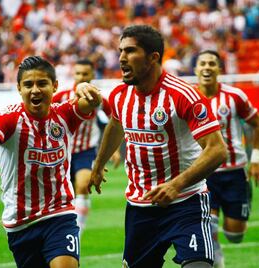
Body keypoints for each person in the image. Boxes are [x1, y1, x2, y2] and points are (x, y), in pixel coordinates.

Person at [0, 56, 103, 268]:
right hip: (20, 222)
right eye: (28, 84)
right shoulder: (8, 119)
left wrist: (85, 88)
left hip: (59, 214)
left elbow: (94, 101)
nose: (35, 90)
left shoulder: (64, 114)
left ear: (54, 86)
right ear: (19, 88)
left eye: (42, 83)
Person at [88, 25, 228, 268]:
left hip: (186, 202)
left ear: (153, 57)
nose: (121, 58)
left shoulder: (183, 95)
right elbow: (116, 125)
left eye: (130, 51)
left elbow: (217, 150)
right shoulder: (121, 96)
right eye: (121, 51)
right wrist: (98, 165)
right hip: (140, 207)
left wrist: (176, 185)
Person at [194, 50, 259, 268]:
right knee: (210, 227)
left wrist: (255, 160)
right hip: (204, 174)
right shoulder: (188, 98)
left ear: (220, 69)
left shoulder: (235, 96)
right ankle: (219, 263)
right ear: (196, 70)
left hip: (235, 173)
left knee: (235, 235)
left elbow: (257, 125)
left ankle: (242, 206)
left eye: (212, 64)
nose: (207, 67)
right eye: (202, 63)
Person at [52, 58, 121, 234]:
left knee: (83, 185)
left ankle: (78, 232)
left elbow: (115, 121)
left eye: (85, 73)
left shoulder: (99, 100)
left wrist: (114, 150)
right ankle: (64, 228)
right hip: (62, 151)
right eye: (78, 73)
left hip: (86, 151)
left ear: (92, 75)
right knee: (66, 194)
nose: (81, 76)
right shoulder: (61, 97)